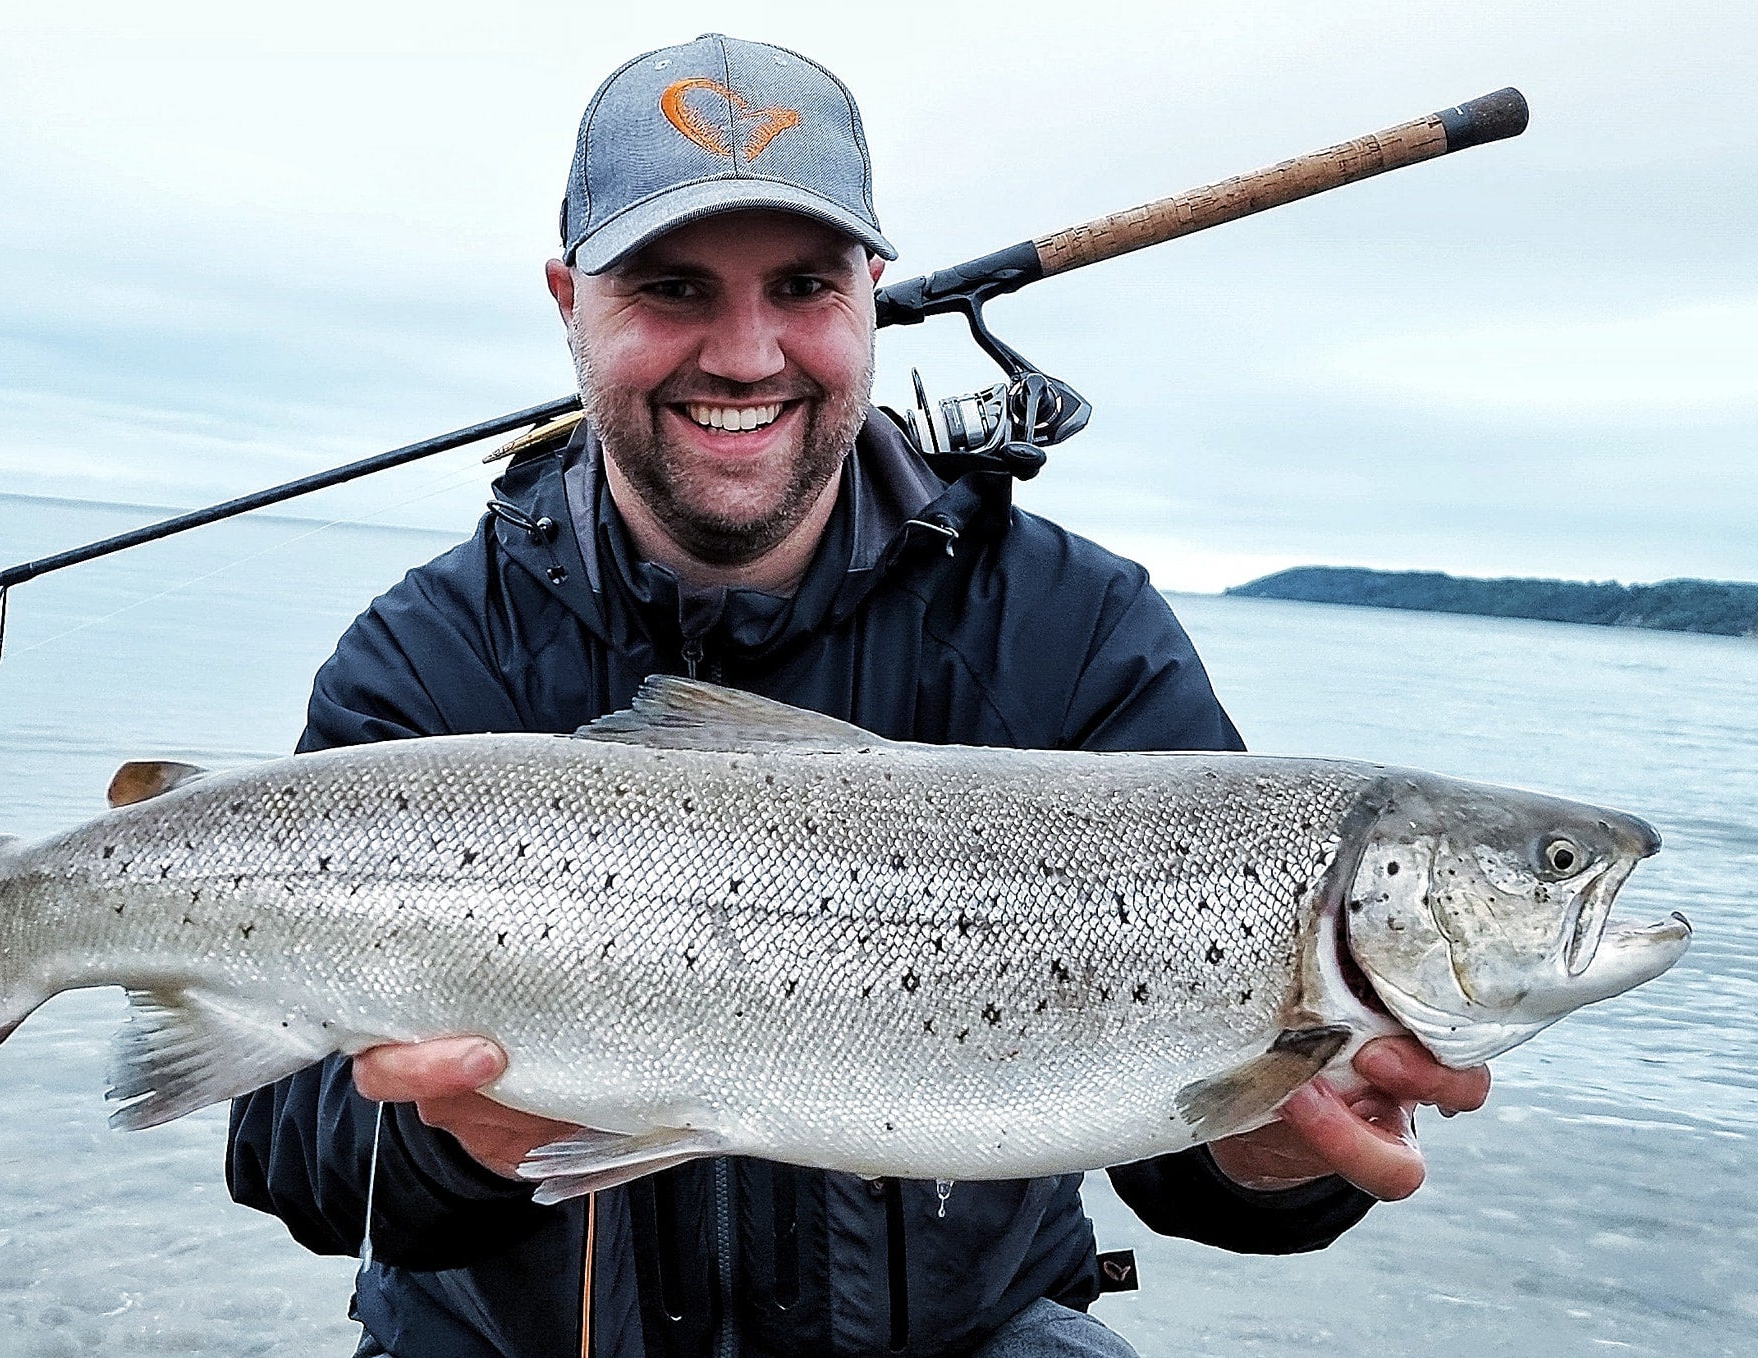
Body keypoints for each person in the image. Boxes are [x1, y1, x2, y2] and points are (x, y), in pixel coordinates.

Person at [227, 33, 1490, 1357]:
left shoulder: (1073, 634)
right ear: (568, 298)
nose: (746, 350)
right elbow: (284, 1150)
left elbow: (1191, 1171)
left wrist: (1283, 1151)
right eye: (671, 286)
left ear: (871, 291)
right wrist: (458, 1148)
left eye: (804, 283)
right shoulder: (430, 656)